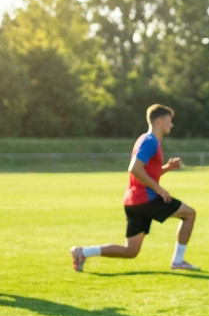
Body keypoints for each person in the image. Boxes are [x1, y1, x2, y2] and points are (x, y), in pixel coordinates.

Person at [70, 104, 198, 272]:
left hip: (134, 201)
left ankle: (83, 252)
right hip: (146, 199)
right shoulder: (151, 141)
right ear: (159, 122)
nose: (172, 125)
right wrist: (159, 189)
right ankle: (178, 261)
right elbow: (134, 169)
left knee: (130, 251)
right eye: (169, 120)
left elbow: (146, 172)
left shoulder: (145, 139)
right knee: (189, 214)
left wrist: (167, 167)